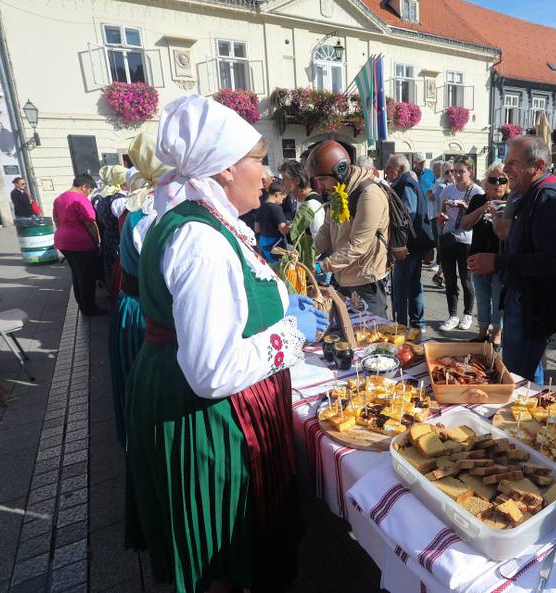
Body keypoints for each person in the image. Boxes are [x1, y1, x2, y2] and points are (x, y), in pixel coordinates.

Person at [125, 95, 327, 593]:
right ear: (221, 171)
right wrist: (288, 334)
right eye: (257, 161)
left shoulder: (202, 223)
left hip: (183, 393)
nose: (268, 175)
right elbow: (212, 371)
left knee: (227, 552)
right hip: (204, 414)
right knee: (221, 550)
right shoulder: (203, 241)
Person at [468, 136, 556, 385]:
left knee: (517, 375)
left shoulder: (547, 199)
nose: (505, 170)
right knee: (527, 368)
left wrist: (497, 262)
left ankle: (521, 417)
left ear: (537, 166)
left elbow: (552, 261)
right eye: (506, 162)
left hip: (532, 305)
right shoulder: (530, 194)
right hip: (525, 299)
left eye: (513, 163)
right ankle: (530, 410)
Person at [107, 133, 168, 447]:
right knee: (149, 388)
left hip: (131, 304)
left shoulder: (139, 209)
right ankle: (149, 443)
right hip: (144, 311)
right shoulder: (153, 216)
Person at [309, 140, 390, 318]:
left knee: (370, 338)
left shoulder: (369, 195)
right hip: (343, 277)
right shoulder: (339, 191)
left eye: (323, 179)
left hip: (365, 281)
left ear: (340, 170)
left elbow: (358, 245)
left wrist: (320, 266)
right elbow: (326, 231)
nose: (321, 186)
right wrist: (306, 256)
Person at [461, 162, 509, 346]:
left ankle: (497, 334)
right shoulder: (478, 200)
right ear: (486, 183)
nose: (497, 183)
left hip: (500, 259)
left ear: (507, 183)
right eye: (493, 179)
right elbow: (465, 224)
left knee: (498, 300)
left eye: (502, 180)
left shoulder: (512, 201)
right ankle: (482, 333)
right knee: (482, 299)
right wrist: (483, 209)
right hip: (477, 258)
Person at [437, 156, 480, 331]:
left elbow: (480, 218)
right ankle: (453, 315)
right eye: (455, 171)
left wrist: (465, 208)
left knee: (466, 279)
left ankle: (468, 314)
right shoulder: (448, 190)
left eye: (461, 171)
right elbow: (440, 213)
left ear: (470, 172)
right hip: (448, 237)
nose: (457, 175)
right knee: (449, 279)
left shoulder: (477, 191)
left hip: (467, 240)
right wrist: (442, 218)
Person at [386, 153, 429, 329]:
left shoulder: (406, 184)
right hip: (412, 243)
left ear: (402, 169)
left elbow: (407, 214)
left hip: (406, 245)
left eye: (390, 168)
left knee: (402, 287)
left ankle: (402, 325)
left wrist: (397, 240)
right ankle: (417, 324)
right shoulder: (405, 182)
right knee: (412, 285)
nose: (386, 171)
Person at [53, 174, 103, 315]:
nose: (89, 194)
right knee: (87, 276)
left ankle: (82, 305)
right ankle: (89, 308)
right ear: (84, 187)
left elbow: (56, 220)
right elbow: (90, 222)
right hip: (80, 243)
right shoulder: (80, 199)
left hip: (63, 241)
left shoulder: (59, 198)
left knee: (77, 274)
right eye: (90, 190)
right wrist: (98, 242)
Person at [281, 159, 325, 271]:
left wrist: (308, 267)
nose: (283, 183)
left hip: (314, 267)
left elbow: (319, 238)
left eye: (285, 179)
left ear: (296, 181)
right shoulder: (301, 200)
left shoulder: (312, 204)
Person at [93, 164, 127, 290]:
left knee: (111, 269)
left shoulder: (102, 197)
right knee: (119, 271)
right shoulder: (119, 199)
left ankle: (111, 294)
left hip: (108, 236)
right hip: (118, 238)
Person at [430, 160, 454, 288]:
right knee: (445, 249)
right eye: (447, 172)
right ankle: (441, 275)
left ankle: (441, 274)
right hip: (443, 222)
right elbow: (438, 207)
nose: (450, 173)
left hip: (456, 223)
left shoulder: (458, 186)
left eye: (452, 171)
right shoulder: (441, 186)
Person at [255, 180, 290, 263]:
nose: (282, 201)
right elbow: (282, 229)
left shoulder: (260, 206)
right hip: (275, 246)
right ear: (277, 194)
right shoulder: (276, 208)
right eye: (283, 198)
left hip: (263, 244)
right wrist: (290, 226)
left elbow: (257, 228)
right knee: (280, 269)